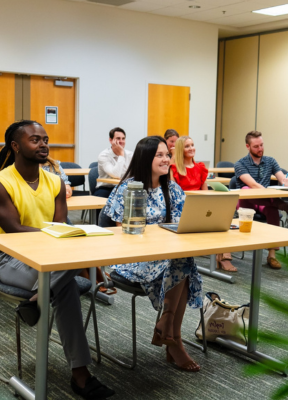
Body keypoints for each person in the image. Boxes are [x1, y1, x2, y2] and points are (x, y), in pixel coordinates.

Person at [0, 120, 114, 399]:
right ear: (15, 146)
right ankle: (80, 375)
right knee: (71, 275)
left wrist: (64, 239)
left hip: (53, 259)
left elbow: (61, 227)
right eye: (35, 140)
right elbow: (16, 231)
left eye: (45, 139)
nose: (43, 144)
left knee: (63, 280)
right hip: (13, 260)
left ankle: (37, 299)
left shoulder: (55, 181)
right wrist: (61, 240)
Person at [104, 136, 203, 372]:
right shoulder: (129, 188)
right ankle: (171, 334)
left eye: (167, 155)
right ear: (145, 158)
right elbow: (121, 234)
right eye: (159, 155)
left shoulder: (172, 188)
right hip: (133, 259)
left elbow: (184, 222)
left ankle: (170, 330)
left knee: (181, 260)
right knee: (183, 263)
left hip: (167, 256)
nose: (166, 159)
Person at [234, 130, 288, 269]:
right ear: (248, 147)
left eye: (262, 145)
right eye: (256, 146)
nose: (260, 149)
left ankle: (272, 255)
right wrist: (270, 193)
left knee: (272, 211)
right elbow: (252, 184)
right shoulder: (240, 164)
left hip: (264, 202)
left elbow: (281, 177)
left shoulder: (270, 161)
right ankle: (280, 204)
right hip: (246, 205)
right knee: (247, 189)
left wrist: (285, 182)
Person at [170, 136, 237, 272]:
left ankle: (223, 255)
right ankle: (222, 256)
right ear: (180, 150)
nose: (191, 148)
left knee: (222, 216)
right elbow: (173, 194)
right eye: (187, 146)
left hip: (200, 204)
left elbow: (205, 191)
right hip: (184, 206)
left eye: (192, 145)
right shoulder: (174, 168)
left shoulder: (200, 167)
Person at [95, 127, 133, 198]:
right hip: (107, 187)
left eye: (123, 138)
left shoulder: (130, 155)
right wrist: (121, 154)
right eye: (118, 138)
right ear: (110, 140)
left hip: (125, 187)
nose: (121, 141)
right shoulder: (103, 155)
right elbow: (116, 174)